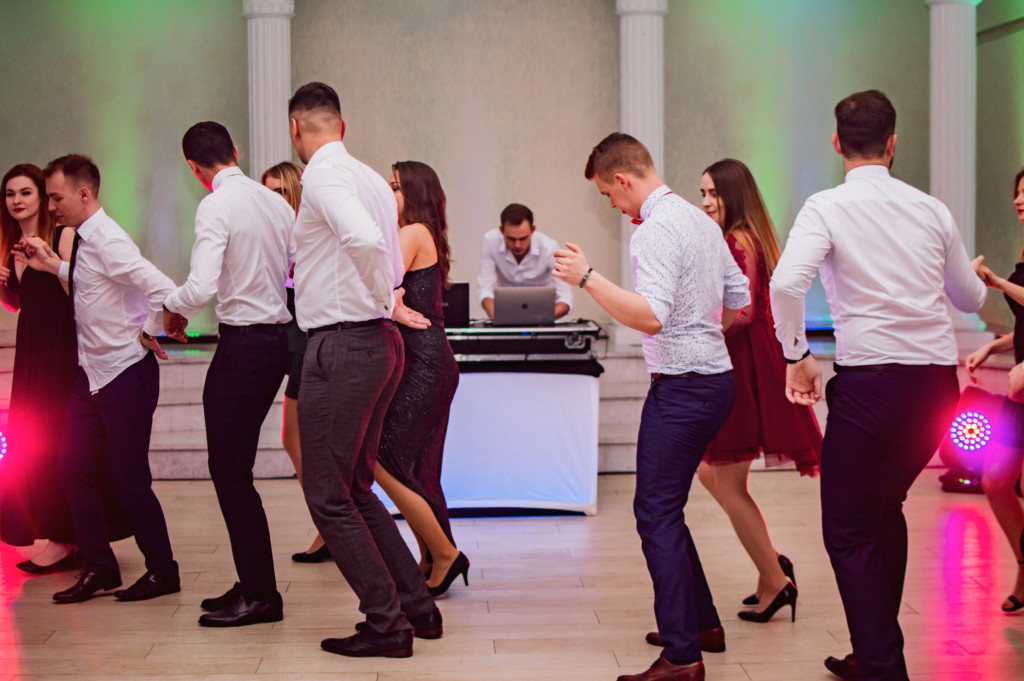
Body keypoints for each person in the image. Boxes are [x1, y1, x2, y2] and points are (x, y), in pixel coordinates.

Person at [769, 90, 987, 681]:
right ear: (893, 144)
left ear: (837, 143)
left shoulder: (826, 206)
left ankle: (884, 667)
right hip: (936, 388)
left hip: (873, 387)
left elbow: (785, 285)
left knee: (846, 530)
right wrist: (974, 276)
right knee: (883, 509)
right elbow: (970, 298)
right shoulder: (931, 209)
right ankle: (874, 653)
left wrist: (797, 356)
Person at [554, 132, 750, 681]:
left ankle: (683, 657)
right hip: (716, 382)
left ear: (622, 179)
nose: (611, 206)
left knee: (655, 513)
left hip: (684, 389)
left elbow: (649, 317)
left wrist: (587, 278)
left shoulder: (656, 230)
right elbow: (739, 299)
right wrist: (703, 337)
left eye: (607, 195)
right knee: (667, 508)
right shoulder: (700, 220)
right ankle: (701, 625)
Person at [287, 81, 440, 659]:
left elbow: (365, 240)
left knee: (328, 494)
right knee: (353, 486)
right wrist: (386, 300)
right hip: (373, 342)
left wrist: (382, 298)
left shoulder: (323, 176)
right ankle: (417, 608)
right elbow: (384, 252)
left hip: (345, 344)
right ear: (342, 126)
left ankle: (387, 623)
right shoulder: (372, 178)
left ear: (295, 129)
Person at [22, 154, 182, 604]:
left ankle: (163, 571)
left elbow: (164, 288)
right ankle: (100, 567)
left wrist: (149, 329)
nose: (51, 207)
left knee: (129, 478)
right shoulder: (82, 240)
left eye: (56, 198)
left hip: (125, 373)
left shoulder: (108, 239)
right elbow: (92, 283)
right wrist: (52, 265)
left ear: (83, 193)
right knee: (71, 467)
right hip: (90, 375)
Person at [162, 122, 293, 627]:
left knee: (229, 470)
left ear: (193, 168)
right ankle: (252, 580)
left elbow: (200, 287)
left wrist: (169, 308)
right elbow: (296, 271)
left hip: (244, 346)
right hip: (275, 343)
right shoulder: (275, 203)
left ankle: (261, 595)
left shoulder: (216, 204)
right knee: (234, 467)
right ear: (235, 151)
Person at [695, 159, 820, 620]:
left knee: (727, 481)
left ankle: (775, 580)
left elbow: (743, 312)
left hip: (746, 363)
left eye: (714, 193)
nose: (706, 202)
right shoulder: (742, 237)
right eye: (703, 193)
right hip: (747, 359)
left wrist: (699, 332)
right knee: (711, 474)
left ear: (734, 194)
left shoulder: (738, 240)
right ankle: (771, 563)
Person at [0, 164, 130, 574]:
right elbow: (21, 304)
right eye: (10, 194)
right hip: (31, 355)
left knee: (59, 442)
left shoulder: (63, 236)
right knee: (31, 443)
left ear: (42, 197)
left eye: (25, 192)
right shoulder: (12, 247)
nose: (17, 201)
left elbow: (80, 290)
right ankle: (58, 532)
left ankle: (65, 538)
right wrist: (3, 286)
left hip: (62, 353)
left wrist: (50, 262)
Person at [379, 160, 465, 596]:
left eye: (394, 186)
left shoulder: (412, 232)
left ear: (412, 193)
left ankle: (445, 554)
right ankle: (432, 555)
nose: (387, 192)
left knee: (382, 457)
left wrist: (390, 301)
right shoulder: (420, 232)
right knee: (419, 467)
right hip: (429, 361)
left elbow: (377, 282)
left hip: (424, 363)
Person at [260, 161, 327, 564]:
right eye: (266, 193)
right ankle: (329, 524)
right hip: (289, 339)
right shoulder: (274, 233)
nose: (273, 200)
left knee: (298, 438)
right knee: (295, 438)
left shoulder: (308, 231)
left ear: (295, 192)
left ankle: (331, 525)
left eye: (280, 192)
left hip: (310, 339)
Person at [964, 166, 1024, 614]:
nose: (1019, 200)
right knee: (996, 479)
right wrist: (995, 346)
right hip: (1019, 388)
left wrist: (997, 283)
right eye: (1017, 193)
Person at [478, 202, 573, 319]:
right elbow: (485, 290)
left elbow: (566, 299)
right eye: (511, 239)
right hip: (505, 316)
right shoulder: (490, 241)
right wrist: (497, 318)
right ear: (501, 231)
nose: (517, 245)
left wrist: (540, 319)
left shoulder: (549, 248)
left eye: (523, 238)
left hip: (542, 319)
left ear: (533, 230)